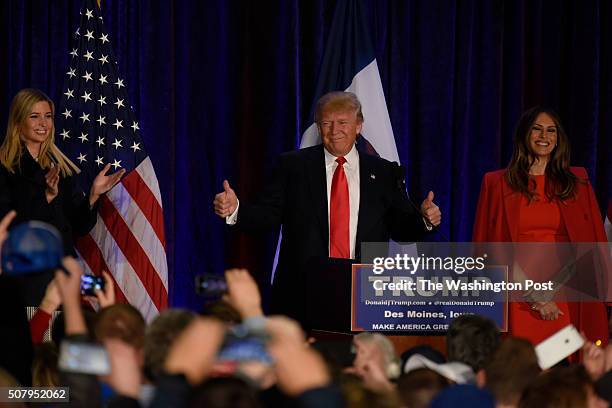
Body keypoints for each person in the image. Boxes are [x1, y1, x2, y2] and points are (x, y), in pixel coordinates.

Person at [213, 91, 441, 323]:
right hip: (303, 294)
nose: (334, 131)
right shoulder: (293, 167)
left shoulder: (384, 172)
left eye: (342, 123)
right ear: (318, 127)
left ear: (358, 126)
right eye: (326, 123)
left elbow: (401, 229)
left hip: (363, 295)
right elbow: (267, 216)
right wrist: (236, 210)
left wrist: (424, 219)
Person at [473, 106, 608, 345]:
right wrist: (534, 295)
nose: (544, 137)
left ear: (558, 140)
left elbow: (590, 245)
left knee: (561, 363)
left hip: (566, 292)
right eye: (537, 130)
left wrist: (550, 291)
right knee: (523, 367)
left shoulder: (578, 183)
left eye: (551, 131)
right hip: (516, 293)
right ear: (524, 135)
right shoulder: (495, 183)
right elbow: (488, 246)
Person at [0, 88, 124, 302]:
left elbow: (79, 226)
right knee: (40, 335)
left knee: (58, 335)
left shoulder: (62, 169)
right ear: (18, 121)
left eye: (48, 116)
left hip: (62, 277)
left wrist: (93, 195)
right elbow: (8, 226)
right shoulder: (6, 168)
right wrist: (46, 198)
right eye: (34, 116)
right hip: (27, 280)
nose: (43, 124)